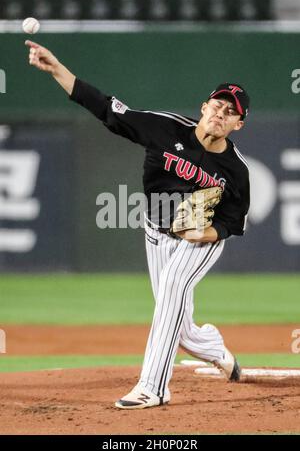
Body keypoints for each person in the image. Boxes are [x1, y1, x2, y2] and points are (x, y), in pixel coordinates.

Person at [25, 40, 250, 410]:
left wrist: (203, 233)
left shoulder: (235, 171)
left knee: (173, 291)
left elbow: (233, 222)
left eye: (231, 112)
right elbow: (106, 109)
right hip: (155, 231)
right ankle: (211, 346)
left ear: (238, 124)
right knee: (180, 326)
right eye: (217, 105)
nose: (221, 114)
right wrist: (56, 69)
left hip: (199, 241)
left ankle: (154, 387)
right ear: (203, 107)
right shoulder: (164, 128)